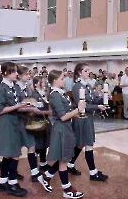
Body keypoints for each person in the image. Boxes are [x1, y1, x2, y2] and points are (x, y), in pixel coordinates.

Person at [44, 70, 85, 198]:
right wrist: (78, 109)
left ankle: (46, 176)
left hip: (66, 127)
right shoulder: (55, 94)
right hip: (61, 128)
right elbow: (62, 116)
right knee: (64, 160)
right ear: (54, 80)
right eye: (62, 78)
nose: (64, 80)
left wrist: (76, 114)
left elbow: (67, 112)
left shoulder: (60, 93)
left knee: (64, 157)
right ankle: (66, 189)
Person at [67, 63, 108, 181]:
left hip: (88, 118)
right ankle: (93, 172)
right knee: (88, 143)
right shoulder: (77, 87)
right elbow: (83, 106)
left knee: (80, 144)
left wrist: (102, 98)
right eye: (86, 71)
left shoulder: (87, 86)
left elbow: (93, 99)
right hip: (82, 118)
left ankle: (70, 164)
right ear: (79, 72)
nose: (88, 73)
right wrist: (97, 107)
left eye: (88, 70)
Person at [0, 62, 30, 196]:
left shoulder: (13, 87)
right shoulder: (1, 89)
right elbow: (0, 109)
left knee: (10, 154)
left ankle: (2, 182)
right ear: (5, 73)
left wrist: (26, 106)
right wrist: (18, 106)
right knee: (14, 153)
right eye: (14, 71)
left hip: (14, 121)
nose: (16, 73)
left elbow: (16, 104)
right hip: (6, 122)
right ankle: (12, 183)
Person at [15, 66, 51, 192]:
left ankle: (34, 172)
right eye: (26, 74)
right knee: (16, 150)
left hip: (26, 119)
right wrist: (30, 109)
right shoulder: (17, 88)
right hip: (18, 120)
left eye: (29, 74)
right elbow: (17, 106)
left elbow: (27, 102)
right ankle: (10, 174)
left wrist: (31, 107)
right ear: (19, 76)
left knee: (31, 146)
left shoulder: (26, 89)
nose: (28, 76)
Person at [31, 76, 52, 171]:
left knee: (44, 142)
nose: (44, 83)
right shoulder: (35, 95)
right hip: (38, 121)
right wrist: (48, 112)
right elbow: (35, 111)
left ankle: (43, 163)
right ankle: (34, 165)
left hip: (45, 120)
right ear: (36, 84)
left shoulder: (43, 94)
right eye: (42, 82)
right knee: (38, 144)